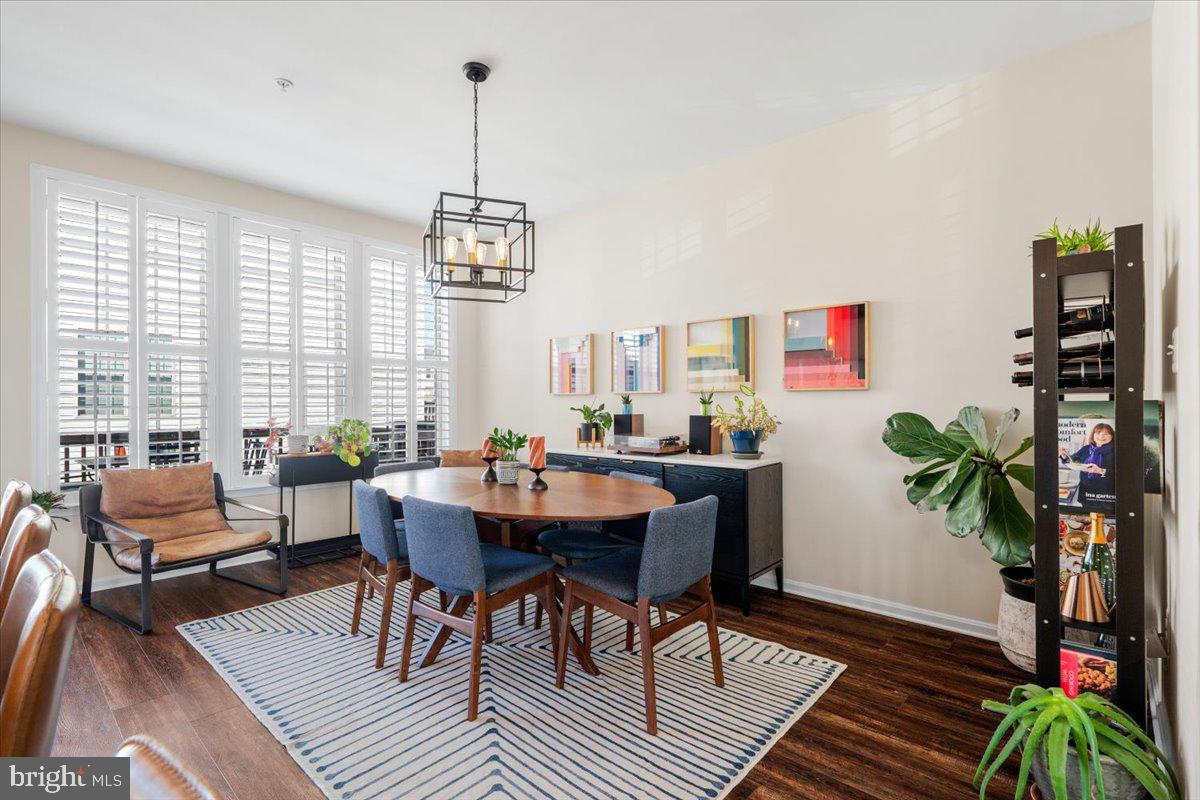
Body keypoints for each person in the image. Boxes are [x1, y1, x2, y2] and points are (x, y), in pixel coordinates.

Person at [1059, 422, 1116, 509]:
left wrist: (1099, 470)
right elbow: (1072, 460)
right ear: (1093, 435)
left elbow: (1123, 474)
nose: (1101, 436)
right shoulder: (1086, 448)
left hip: (1106, 495)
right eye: (1098, 433)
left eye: (1106, 434)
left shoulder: (1116, 450)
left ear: (1112, 436)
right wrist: (1064, 456)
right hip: (1086, 491)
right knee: (1087, 518)